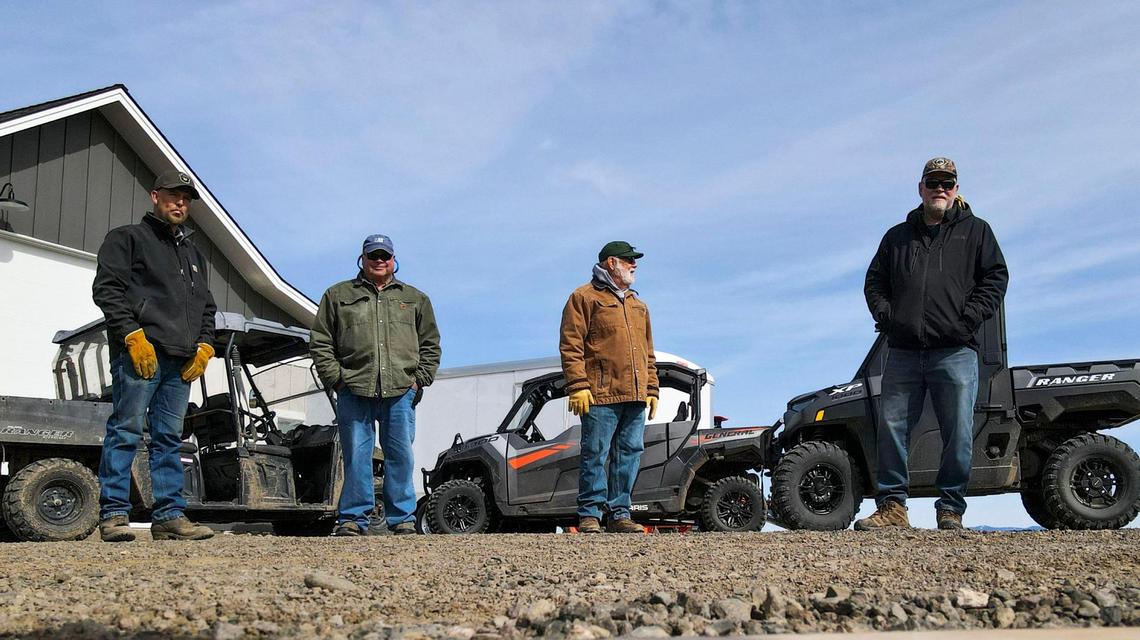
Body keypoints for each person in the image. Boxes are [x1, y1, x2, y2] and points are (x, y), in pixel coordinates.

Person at [858, 157, 1008, 531]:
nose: (940, 188)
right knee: (891, 427)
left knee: (957, 430)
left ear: (956, 189)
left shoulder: (977, 232)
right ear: (921, 188)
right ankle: (893, 508)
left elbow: (996, 278)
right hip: (904, 352)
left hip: (955, 351)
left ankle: (951, 509)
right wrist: (888, 316)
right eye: (933, 182)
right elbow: (874, 282)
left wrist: (968, 317)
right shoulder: (897, 237)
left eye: (947, 182)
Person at [91, 169, 217, 542]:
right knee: (126, 430)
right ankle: (114, 514)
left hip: (180, 363)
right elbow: (107, 290)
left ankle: (169, 516)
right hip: (141, 355)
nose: (180, 202)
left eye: (186, 198)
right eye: (173, 195)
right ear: (155, 196)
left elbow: (205, 307)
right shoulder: (128, 239)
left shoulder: (194, 255)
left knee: (168, 438)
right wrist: (131, 334)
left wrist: (206, 345)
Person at [310, 234, 441, 536]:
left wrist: (418, 380)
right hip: (354, 389)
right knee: (357, 455)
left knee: (401, 456)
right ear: (363, 259)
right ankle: (353, 519)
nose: (379, 261)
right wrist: (336, 378)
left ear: (394, 260)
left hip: (399, 392)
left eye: (385, 256)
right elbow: (320, 341)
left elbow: (431, 343)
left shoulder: (415, 299)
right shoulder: (337, 295)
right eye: (373, 256)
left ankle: (402, 520)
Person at [559, 241, 659, 534]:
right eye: (629, 260)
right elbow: (571, 345)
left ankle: (619, 514)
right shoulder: (584, 297)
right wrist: (577, 384)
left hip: (636, 394)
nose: (634, 265)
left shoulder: (639, 306)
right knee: (595, 453)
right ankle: (590, 514)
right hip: (600, 393)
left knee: (629, 454)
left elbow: (648, 353)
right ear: (611, 262)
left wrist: (652, 389)